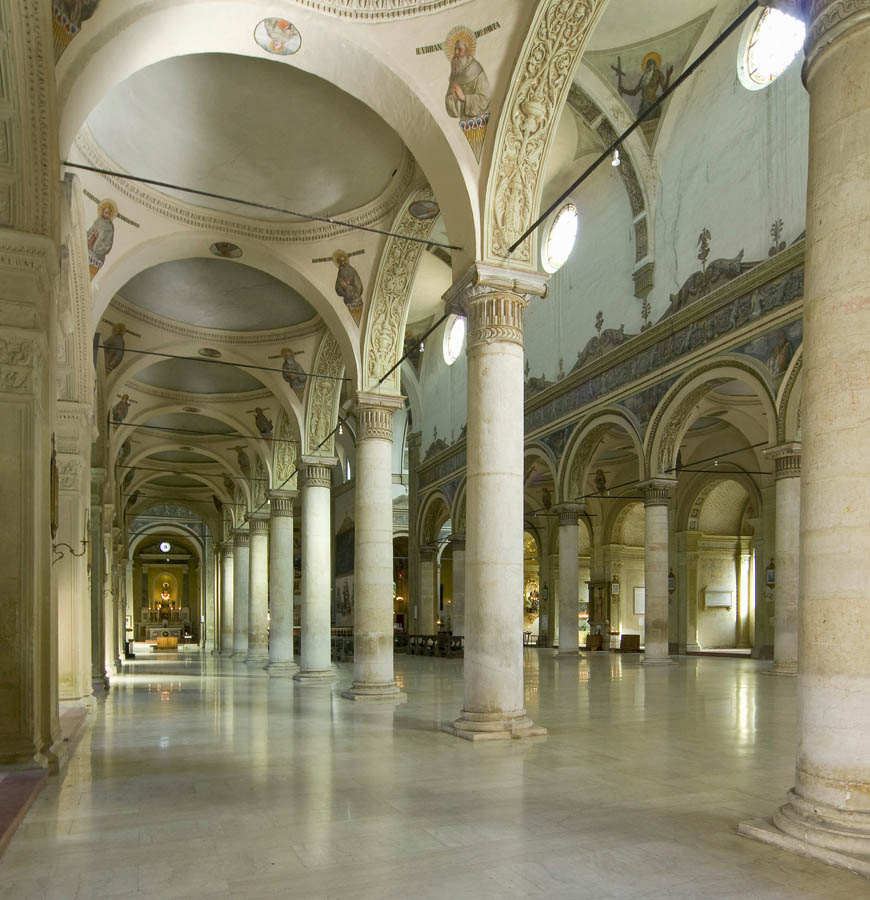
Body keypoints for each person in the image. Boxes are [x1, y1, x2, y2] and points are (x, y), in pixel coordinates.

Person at [445, 40, 491, 120]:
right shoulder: (455, 72)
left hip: (479, 120)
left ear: (466, 52)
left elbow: (484, 99)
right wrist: (454, 99)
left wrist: (464, 98)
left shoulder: (476, 70)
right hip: (464, 122)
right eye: (455, 49)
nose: (456, 52)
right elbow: (449, 100)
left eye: (459, 49)